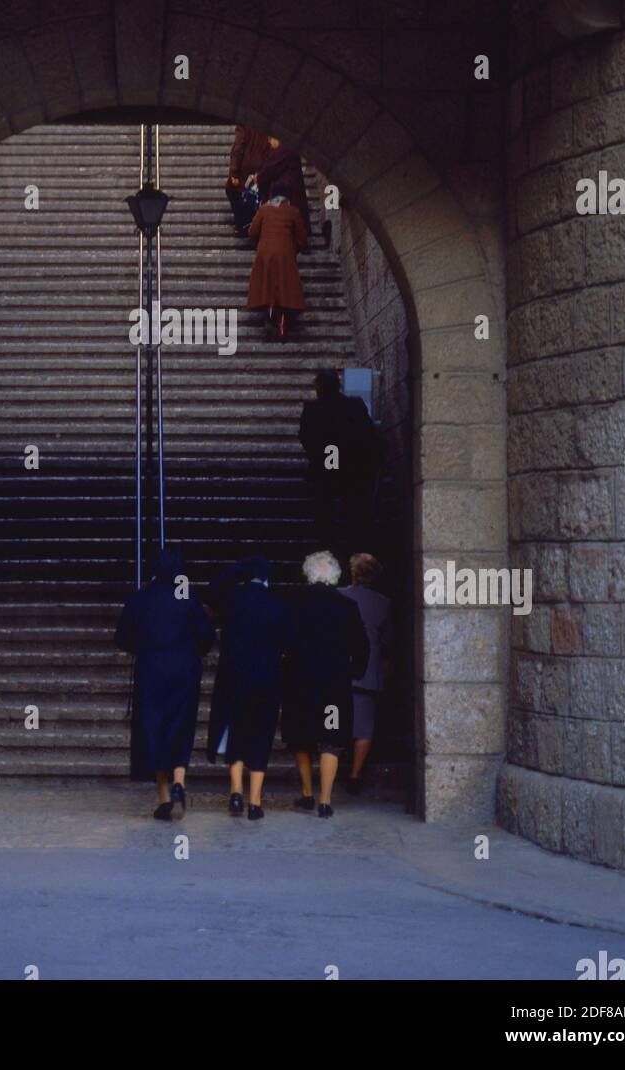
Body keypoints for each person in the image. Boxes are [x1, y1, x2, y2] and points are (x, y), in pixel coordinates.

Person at [114, 547, 215, 820]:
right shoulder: (187, 597)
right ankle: (180, 781)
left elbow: (122, 637)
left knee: (154, 729)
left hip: (151, 670)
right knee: (180, 725)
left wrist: (145, 647)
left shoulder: (140, 598)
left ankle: (164, 798)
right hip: (184, 670)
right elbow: (206, 636)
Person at [204, 555, 295, 821]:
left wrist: (234, 571)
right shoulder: (278, 604)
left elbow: (208, 593)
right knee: (261, 734)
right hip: (267, 677)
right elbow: (289, 643)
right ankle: (255, 801)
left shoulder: (233, 598)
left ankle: (235, 790)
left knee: (236, 729)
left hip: (234, 674)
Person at [281, 550, 368, 818]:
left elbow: (285, 642)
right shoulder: (347, 605)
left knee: (302, 737)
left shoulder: (294, 602)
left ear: (309, 573)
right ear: (335, 575)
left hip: (301, 682)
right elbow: (361, 646)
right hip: (334, 685)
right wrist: (353, 671)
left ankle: (307, 794)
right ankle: (326, 800)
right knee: (331, 738)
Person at [298, 370, 384, 558]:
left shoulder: (313, 408)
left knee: (324, 504)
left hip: (325, 464)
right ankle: (351, 542)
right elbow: (367, 433)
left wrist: (320, 455)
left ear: (320, 387)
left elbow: (305, 436)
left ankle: (327, 543)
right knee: (350, 505)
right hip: (350, 466)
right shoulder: (353, 405)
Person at [339, 553, 393, 796]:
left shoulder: (340, 596)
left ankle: (333, 761)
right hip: (369, 667)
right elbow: (387, 641)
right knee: (364, 726)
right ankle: (355, 774)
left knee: (335, 716)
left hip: (340, 663)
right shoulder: (383, 603)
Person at [247, 184, 309, 341]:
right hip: (285, 254)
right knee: (284, 289)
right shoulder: (293, 211)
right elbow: (302, 239)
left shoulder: (264, 210)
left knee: (268, 286)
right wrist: (293, 248)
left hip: (265, 254)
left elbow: (252, 232)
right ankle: (282, 326)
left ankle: (268, 319)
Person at [254, 137, 311, 235]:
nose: (269, 142)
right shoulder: (288, 149)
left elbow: (271, 168)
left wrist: (258, 178)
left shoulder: (285, 150)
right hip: (290, 190)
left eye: (270, 139)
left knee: (288, 216)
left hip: (288, 191)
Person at [226, 125, 275, 232]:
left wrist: (234, 172)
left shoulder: (244, 122)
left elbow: (238, 148)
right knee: (256, 194)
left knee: (233, 190)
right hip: (264, 166)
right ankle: (254, 221)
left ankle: (243, 223)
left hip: (246, 168)